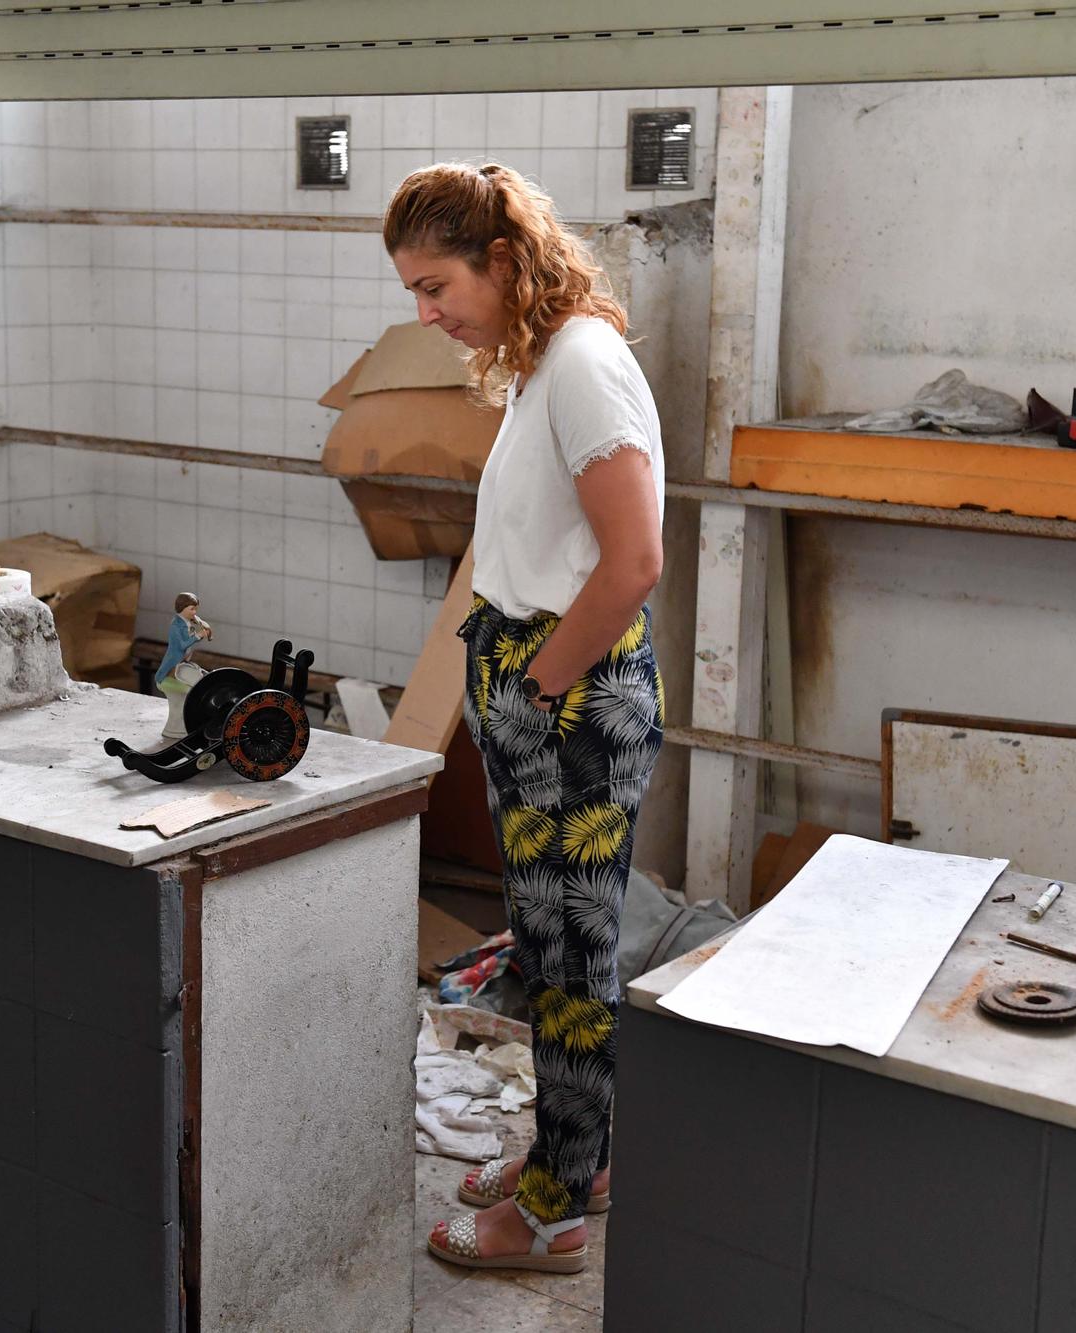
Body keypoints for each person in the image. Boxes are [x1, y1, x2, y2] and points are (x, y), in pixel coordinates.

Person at [387, 162, 665, 1276]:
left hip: (573, 691)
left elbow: (633, 561)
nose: (425, 310)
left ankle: (547, 1216)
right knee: (548, 952)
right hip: (539, 674)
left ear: (501, 260)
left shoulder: (585, 364)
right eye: (411, 289)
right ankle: (578, 1156)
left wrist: (538, 688)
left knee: (571, 961)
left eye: (436, 282)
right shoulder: (546, 359)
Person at [155, 592, 212, 738]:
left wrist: (202, 629)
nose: (195, 612)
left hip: (183, 663)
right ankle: (177, 729)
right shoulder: (176, 626)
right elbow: (181, 645)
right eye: (192, 609)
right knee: (192, 690)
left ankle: (182, 728)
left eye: (195, 609)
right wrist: (198, 636)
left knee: (200, 681)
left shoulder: (187, 622)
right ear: (183, 608)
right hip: (173, 667)